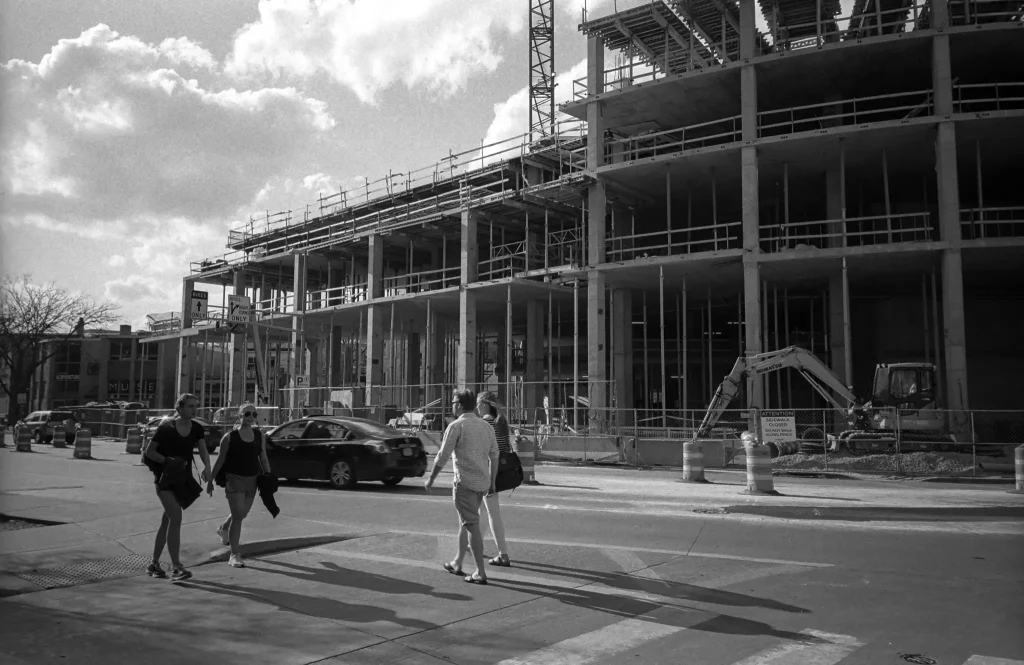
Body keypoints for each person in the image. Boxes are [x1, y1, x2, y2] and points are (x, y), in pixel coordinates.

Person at [424, 389, 498, 585]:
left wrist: (431, 479)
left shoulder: (457, 426)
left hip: (464, 483)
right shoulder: (486, 426)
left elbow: (442, 456)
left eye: (454, 402)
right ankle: (457, 562)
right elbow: (495, 455)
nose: (452, 405)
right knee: (465, 521)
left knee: (471, 525)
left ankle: (480, 572)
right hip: (481, 483)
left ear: (459, 405)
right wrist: (492, 481)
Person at [143, 393, 212, 581]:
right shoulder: (166, 428)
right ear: (179, 407)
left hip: (182, 479)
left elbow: (203, 449)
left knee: (167, 522)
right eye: (190, 406)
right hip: (164, 480)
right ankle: (177, 567)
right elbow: (149, 452)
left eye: (195, 406)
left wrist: (208, 467)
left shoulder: (196, 428)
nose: (193, 409)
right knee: (176, 518)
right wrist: (167, 461)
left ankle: (154, 564)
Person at [210, 402, 271, 568]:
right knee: (238, 516)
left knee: (242, 513)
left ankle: (224, 528)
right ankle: (234, 554)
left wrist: (269, 476)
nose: (250, 417)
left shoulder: (259, 436)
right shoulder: (229, 437)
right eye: (247, 414)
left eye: (254, 414)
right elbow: (220, 460)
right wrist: (210, 480)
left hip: (253, 479)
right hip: (234, 478)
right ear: (239, 416)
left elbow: (263, 457)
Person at [475, 391, 512, 567]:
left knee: (492, 514)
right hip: (497, 472)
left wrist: (490, 481)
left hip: (489, 473)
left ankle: (503, 554)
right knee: (483, 511)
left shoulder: (486, 422)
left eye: (477, 404)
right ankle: (474, 544)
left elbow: (489, 454)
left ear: (484, 404)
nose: (476, 408)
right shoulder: (500, 421)